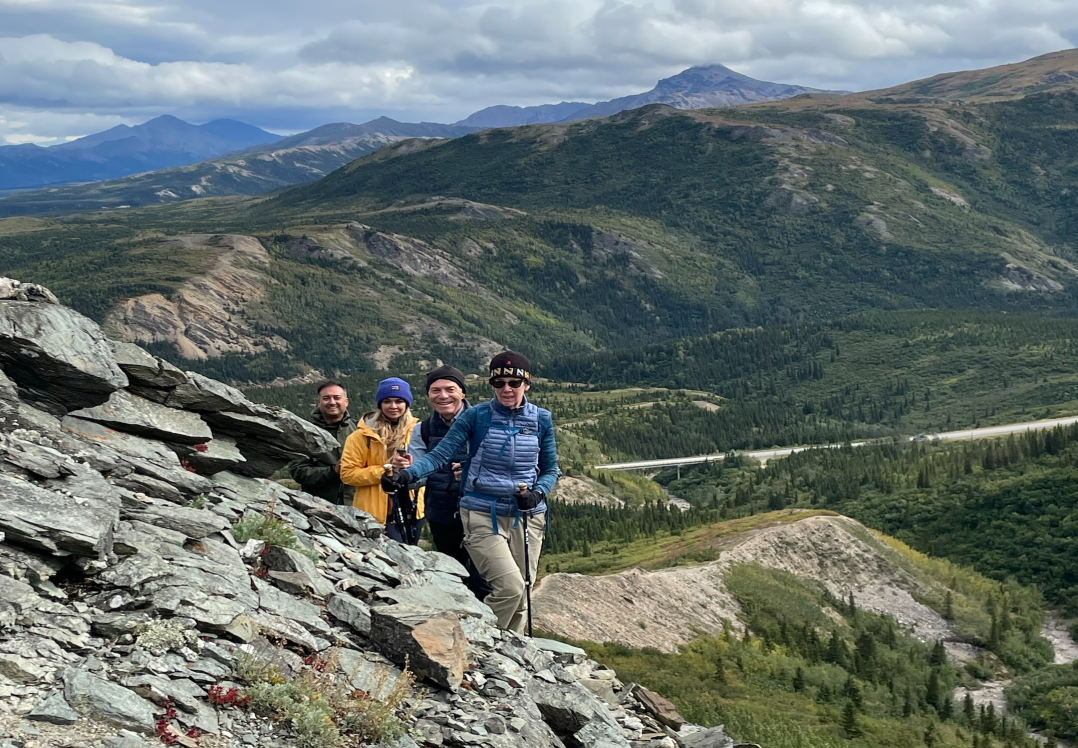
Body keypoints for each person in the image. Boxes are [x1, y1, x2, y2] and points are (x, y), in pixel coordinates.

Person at [383, 352, 558, 633]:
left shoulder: (541, 419)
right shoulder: (477, 416)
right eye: (499, 383)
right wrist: (406, 475)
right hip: (481, 512)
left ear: (527, 384)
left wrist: (538, 493)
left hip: (527, 515)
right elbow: (438, 456)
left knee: (523, 592)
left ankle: (513, 656)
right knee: (511, 587)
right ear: (491, 384)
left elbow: (550, 469)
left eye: (514, 383)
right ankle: (484, 641)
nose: (506, 389)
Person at [406, 365, 491, 599]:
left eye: (450, 389)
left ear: (463, 393)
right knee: (453, 577)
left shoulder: (486, 424)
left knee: (485, 580)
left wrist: (472, 474)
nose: (443, 396)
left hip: (482, 513)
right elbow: (419, 474)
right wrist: (405, 473)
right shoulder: (422, 430)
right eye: (435, 390)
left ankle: (493, 633)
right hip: (443, 515)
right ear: (428, 396)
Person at [339, 377, 425, 543]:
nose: (393, 406)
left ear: (407, 404)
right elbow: (347, 474)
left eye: (399, 401)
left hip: (413, 509)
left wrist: (411, 467)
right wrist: (385, 471)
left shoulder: (418, 432)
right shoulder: (361, 436)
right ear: (380, 404)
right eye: (387, 401)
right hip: (374, 513)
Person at [286, 381, 357, 505]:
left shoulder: (360, 429)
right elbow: (298, 472)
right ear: (318, 402)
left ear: (346, 402)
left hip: (358, 505)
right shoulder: (304, 432)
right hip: (320, 507)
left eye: (337, 398)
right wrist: (332, 471)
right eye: (326, 398)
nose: (332, 402)